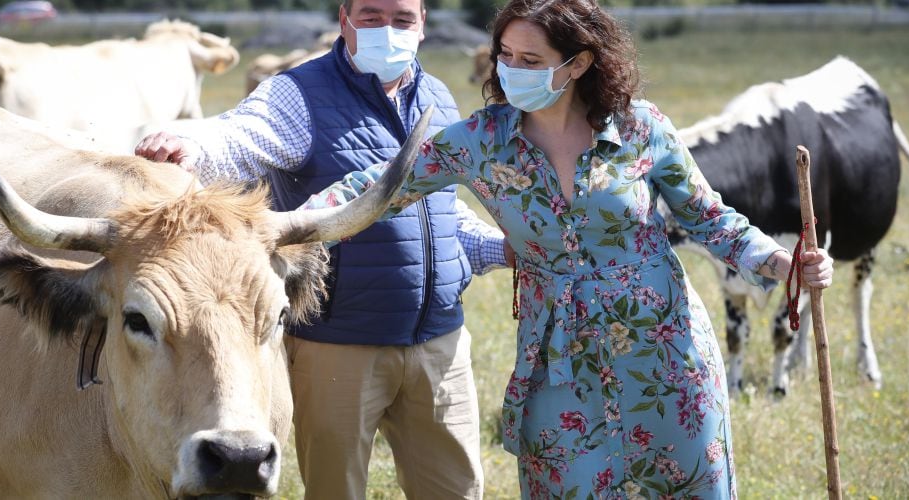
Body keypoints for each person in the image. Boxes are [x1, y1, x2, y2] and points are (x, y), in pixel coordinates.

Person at [298, 0, 836, 497]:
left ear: (577, 64)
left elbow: (709, 218)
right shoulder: (479, 141)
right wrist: (291, 223)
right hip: (555, 359)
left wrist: (783, 263)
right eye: (505, 55)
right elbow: (381, 185)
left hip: (666, 353)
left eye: (530, 59)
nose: (510, 69)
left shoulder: (640, 127)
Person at [135, 0, 504, 498]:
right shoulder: (300, 94)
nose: (387, 31)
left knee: (456, 490)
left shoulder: (436, 96)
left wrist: (499, 248)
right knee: (336, 490)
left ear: (421, 26)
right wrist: (188, 147)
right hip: (338, 349)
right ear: (344, 18)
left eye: (402, 20)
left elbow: (443, 212)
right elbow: (241, 136)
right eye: (371, 17)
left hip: (439, 344)